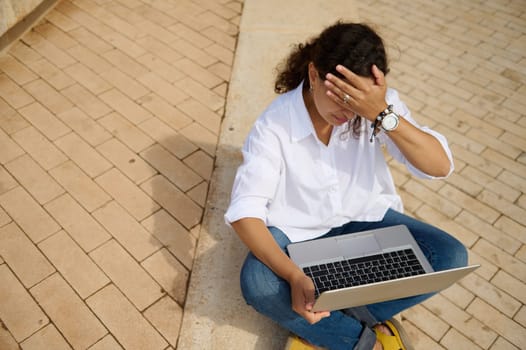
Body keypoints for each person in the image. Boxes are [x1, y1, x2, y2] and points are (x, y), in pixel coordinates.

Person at [224, 21, 467, 350]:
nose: (349, 110)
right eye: (340, 96)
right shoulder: (274, 125)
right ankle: (365, 340)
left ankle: (322, 324)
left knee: (450, 256)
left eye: (358, 100)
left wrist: (381, 113)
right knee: (259, 283)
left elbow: (440, 166)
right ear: (313, 74)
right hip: (298, 235)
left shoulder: (376, 107)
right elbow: (245, 212)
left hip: (366, 220)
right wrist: (294, 276)